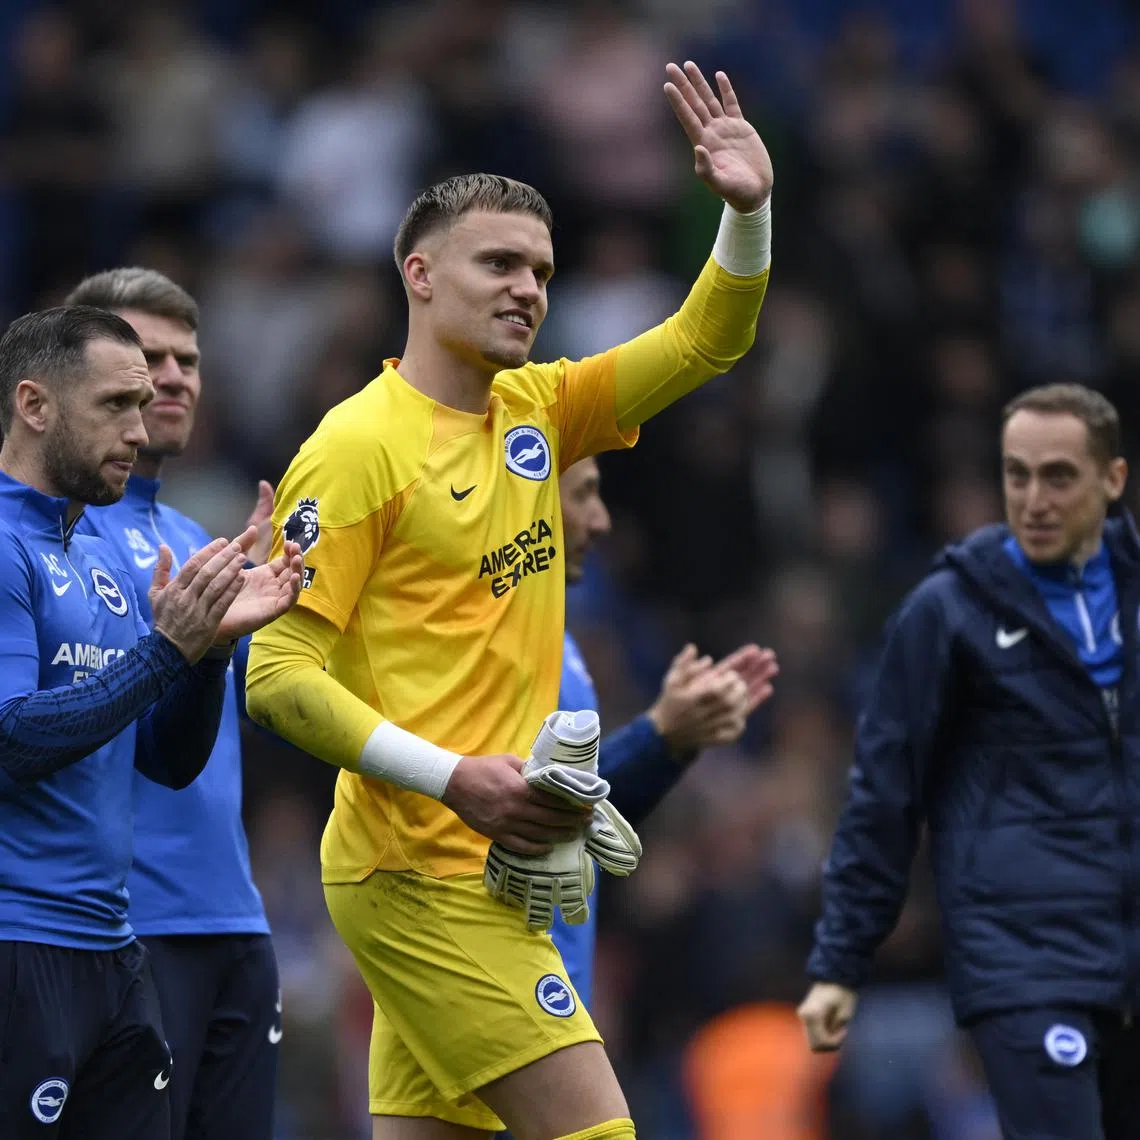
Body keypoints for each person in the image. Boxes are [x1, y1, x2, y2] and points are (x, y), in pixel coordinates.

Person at [246, 60, 773, 1140]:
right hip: (418, 869)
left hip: (495, 874)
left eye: (539, 269)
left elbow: (707, 340)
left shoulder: (537, 412)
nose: (528, 287)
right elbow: (278, 678)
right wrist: (455, 780)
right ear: (420, 275)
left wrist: (747, 215)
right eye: (497, 264)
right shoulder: (353, 451)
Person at [799, 383, 1140, 1140]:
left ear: (1112, 480)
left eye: (1058, 476)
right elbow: (882, 798)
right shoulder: (947, 615)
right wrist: (840, 962)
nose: (1034, 498)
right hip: (1027, 963)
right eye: (1017, 475)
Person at [0, 305, 302, 1140]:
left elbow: (167, 761)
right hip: (21, 943)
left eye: (144, 406)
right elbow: (11, 739)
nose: (141, 429)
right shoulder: (3, 546)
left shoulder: (91, 561)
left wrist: (206, 654)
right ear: (34, 405)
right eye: (115, 406)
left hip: (113, 949)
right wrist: (168, 652)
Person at [63, 267, 282, 1140]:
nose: (174, 376)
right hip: (126, 930)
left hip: (237, 921)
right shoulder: (57, 533)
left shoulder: (198, 541)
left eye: (187, 358)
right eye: (148, 356)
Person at [549, 456, 779, 1010]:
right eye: (582, 495)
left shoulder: (561, 645)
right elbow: (518, 810)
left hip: (550, 993)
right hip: (500, 1000)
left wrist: (674, 740)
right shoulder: (483, 645)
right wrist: (658, 734)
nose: (601, 520)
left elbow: (575, 817)